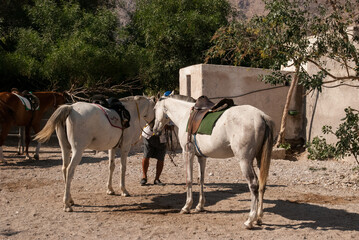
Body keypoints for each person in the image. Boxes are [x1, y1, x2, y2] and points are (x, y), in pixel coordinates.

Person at [140, 121, 167, 186]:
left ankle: (157, 179)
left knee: (161, 158)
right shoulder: (151, 110)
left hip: (162, 137)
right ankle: (144, 177)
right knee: (146, 156)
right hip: (149, 134)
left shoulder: (168, 112)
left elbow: (171, 124)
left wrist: (168, 126)